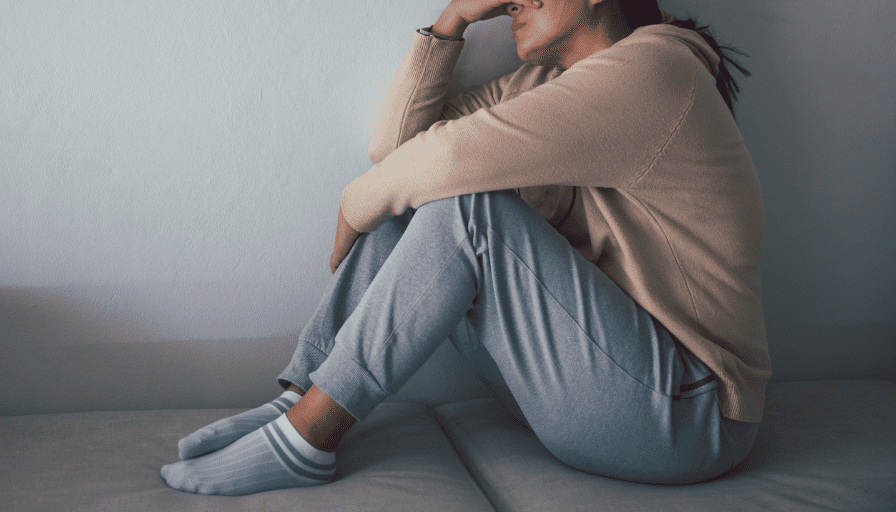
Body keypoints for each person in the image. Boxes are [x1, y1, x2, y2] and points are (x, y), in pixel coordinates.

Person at [161, 0, 770, 495]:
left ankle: (308, 437)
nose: (510, 3)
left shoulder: (658, 71)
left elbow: (447, 161)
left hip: (692, 416)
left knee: (469, 206)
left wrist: (353, 203)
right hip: (605, 393)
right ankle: (299, 398)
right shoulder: (547, 84)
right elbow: (402, 156)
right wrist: (450, 22)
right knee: (423, 198)